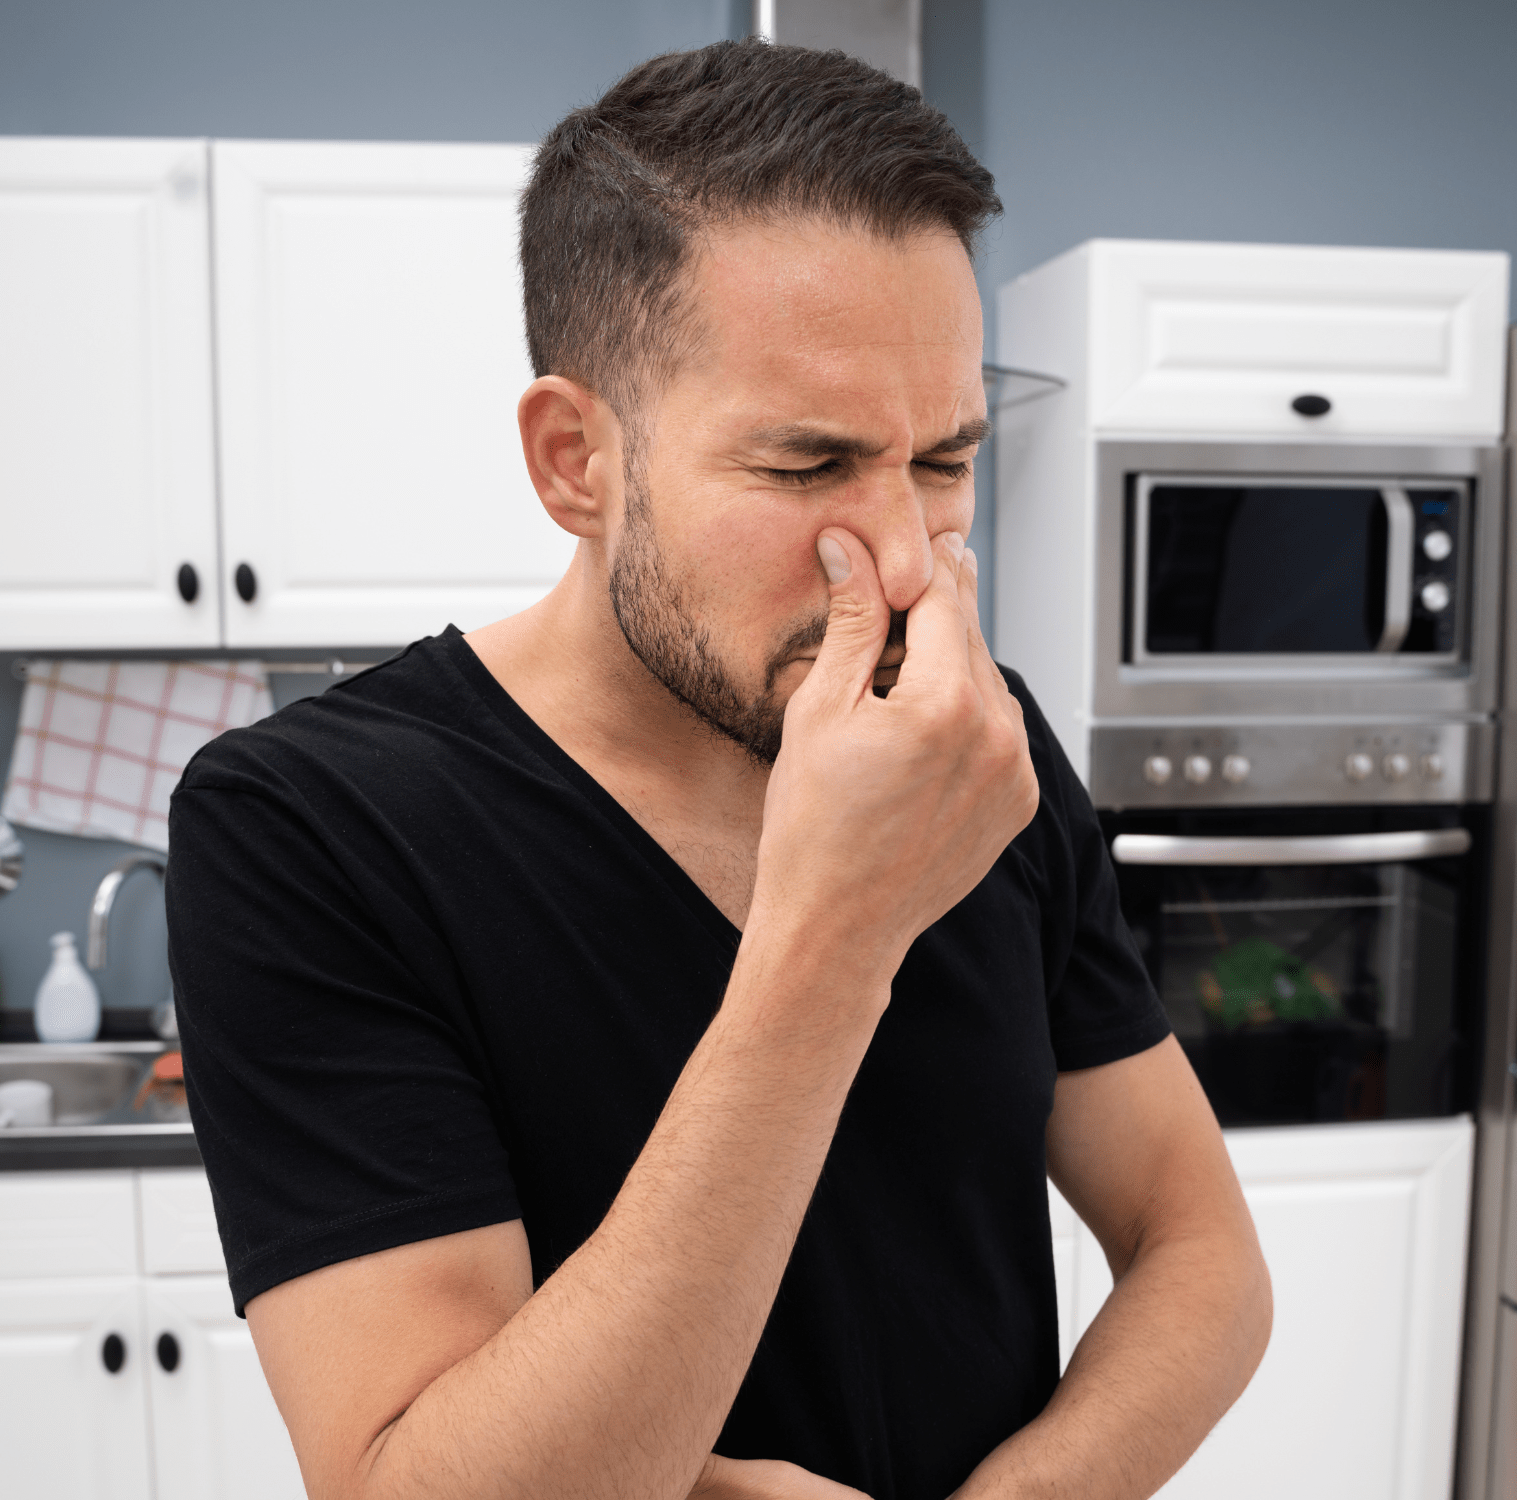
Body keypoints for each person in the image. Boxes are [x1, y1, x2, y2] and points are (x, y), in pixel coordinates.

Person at [167, 38, 1270, 1500]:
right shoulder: (310, 825)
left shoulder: (975, 745)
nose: (897, 554)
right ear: (576, 461)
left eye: (944, 459)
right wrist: (839, 934)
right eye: (808, 467)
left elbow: (1204, 1255)